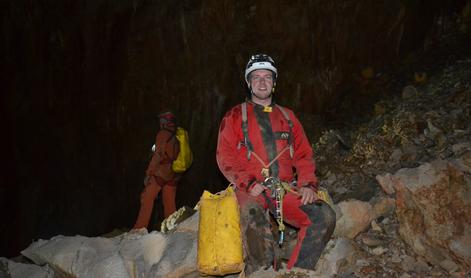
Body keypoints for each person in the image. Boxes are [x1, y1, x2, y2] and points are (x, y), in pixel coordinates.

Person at [216, 54, 336, 272]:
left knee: (323, 216)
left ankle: (297, 272)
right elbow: (224, 156)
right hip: (250, 189)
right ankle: (261, 271)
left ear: (274, 83)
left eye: (268, 77)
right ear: (249, 82)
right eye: (257, 77)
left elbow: (303, 154)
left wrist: (308, 183)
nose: (262, 82)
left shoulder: (288, 117)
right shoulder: (234, 116)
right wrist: (248, 183)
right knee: (257, 231)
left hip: (282, 188)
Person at [133, 111, 180, 230]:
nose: (159, 123)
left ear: (165, 122)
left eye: (161, 121)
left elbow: (158, 155)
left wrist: (148, 173)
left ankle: (139, 228)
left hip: (160, 173)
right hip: (172, 174)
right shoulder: (176, 135)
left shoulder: (162, 134)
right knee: (169, 203)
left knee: (147, 198)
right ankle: (172, 228)